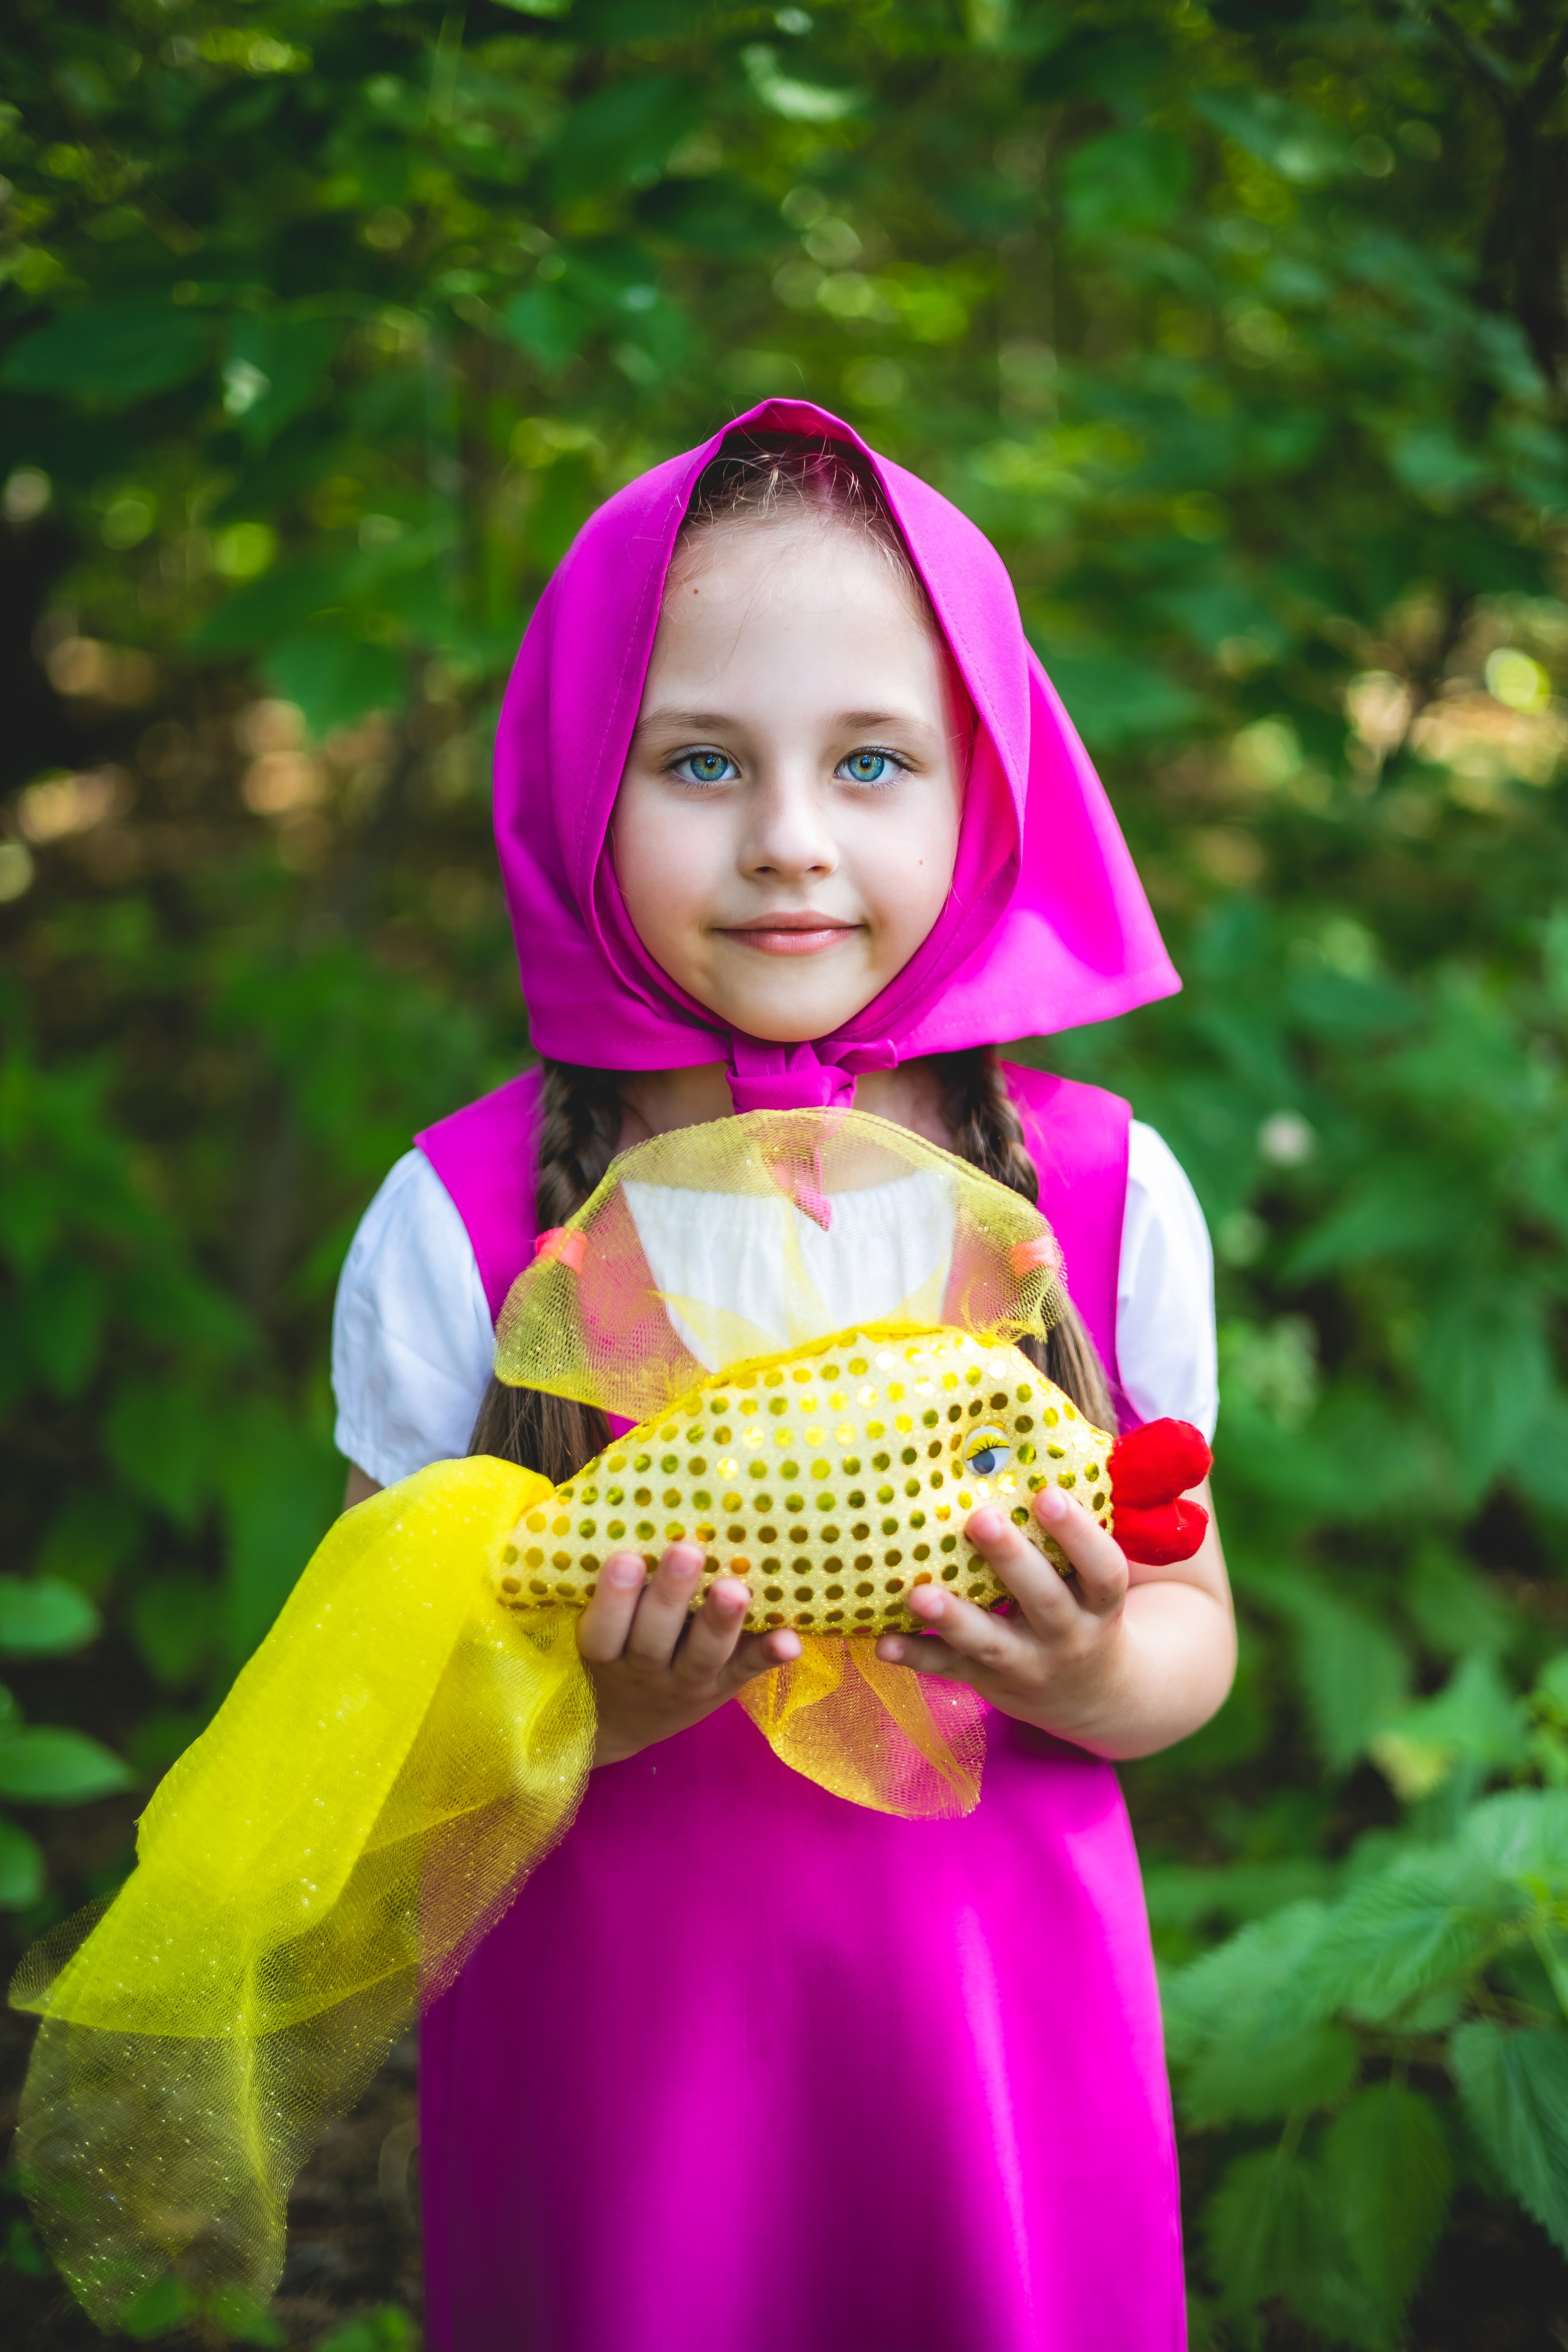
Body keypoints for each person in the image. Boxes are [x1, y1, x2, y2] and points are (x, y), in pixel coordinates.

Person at [332, 399, 1234, 2352]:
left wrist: (1090, 1667)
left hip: (994, 2040)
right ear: (577, 786)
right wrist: (599, 1711)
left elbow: (1192, 1641)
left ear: (987, 788)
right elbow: (378, 1741)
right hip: (624, 2065)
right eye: (703, 763)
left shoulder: (1099, 1196)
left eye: (875, 761)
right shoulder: (461, 1221)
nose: (791, 841)